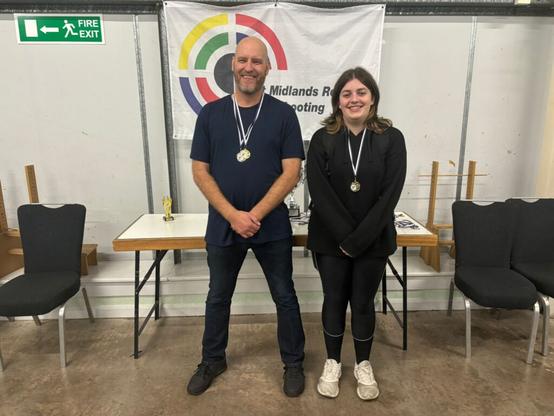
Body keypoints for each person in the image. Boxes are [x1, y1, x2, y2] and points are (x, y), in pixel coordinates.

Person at [187, 36, 306, 397]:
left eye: (257, 61)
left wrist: (251, 215)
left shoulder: (284, 114)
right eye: (243, 60)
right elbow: (200, 171)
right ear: (232, 65)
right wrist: (232, 215)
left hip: (271, 225)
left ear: (268, 68)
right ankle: (212, 360)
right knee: (217, 297)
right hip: (223, 226)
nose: (249, 67)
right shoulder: (210, 114)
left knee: (284, 295)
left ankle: (294, 362)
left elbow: (292, 172)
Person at [306, 67, 406, 400]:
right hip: (330, 241)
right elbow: (319, 193)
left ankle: (363, 364)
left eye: (361, 92)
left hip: (372, 241)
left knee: (362, 303)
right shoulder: (323, 139)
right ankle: (333, 361)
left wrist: (359, 239)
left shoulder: (391, 139)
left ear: (373, 97)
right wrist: (346, 239)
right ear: (337, 101)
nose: (354, 99)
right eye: (347, 94)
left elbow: (390, 194)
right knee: (334, 300)